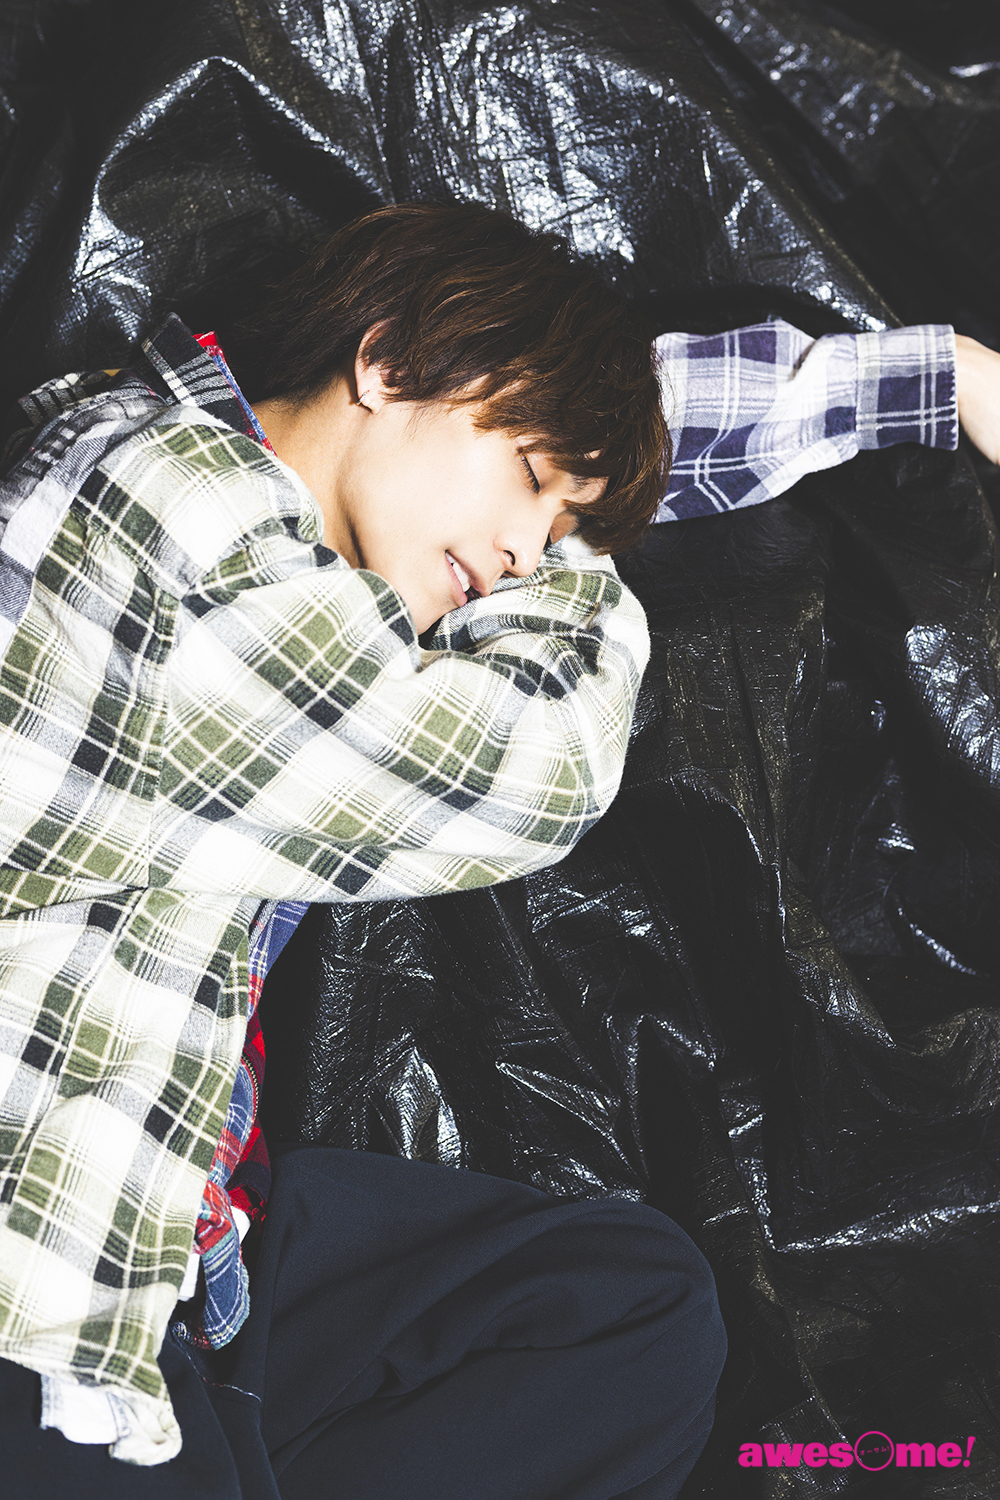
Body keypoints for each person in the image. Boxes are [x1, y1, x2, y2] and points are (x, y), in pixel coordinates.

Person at [1, 198, 998, 1495]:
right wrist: (585, 562)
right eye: (534, 484)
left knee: (623, 1313)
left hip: (180, 1226)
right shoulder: (152, 507)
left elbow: (532, 436)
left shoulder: (262, 491)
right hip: (41, 1278)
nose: (530, 554)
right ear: (385, 362)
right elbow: (530, 768)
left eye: (558, 523)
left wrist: (941, 378)